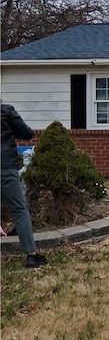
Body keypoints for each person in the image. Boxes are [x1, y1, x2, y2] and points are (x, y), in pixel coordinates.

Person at [1, 103, 47, 268]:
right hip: (5, 167)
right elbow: (26, 133)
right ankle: (31, 256)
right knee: (19, 211)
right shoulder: (5, 111)